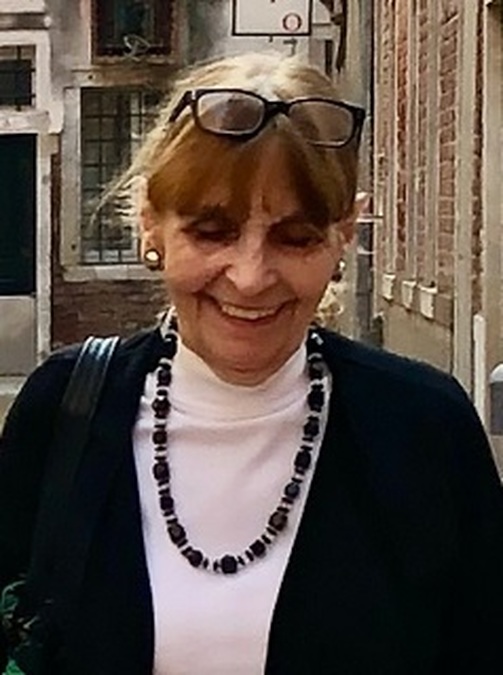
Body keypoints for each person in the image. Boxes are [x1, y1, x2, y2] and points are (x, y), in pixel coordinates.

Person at [1, 52, 502, 675]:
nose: (250, 276)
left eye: (296, 238)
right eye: (212, 232)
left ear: (343, 235)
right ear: (152, 225)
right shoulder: (63, 411)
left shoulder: (424, 430)